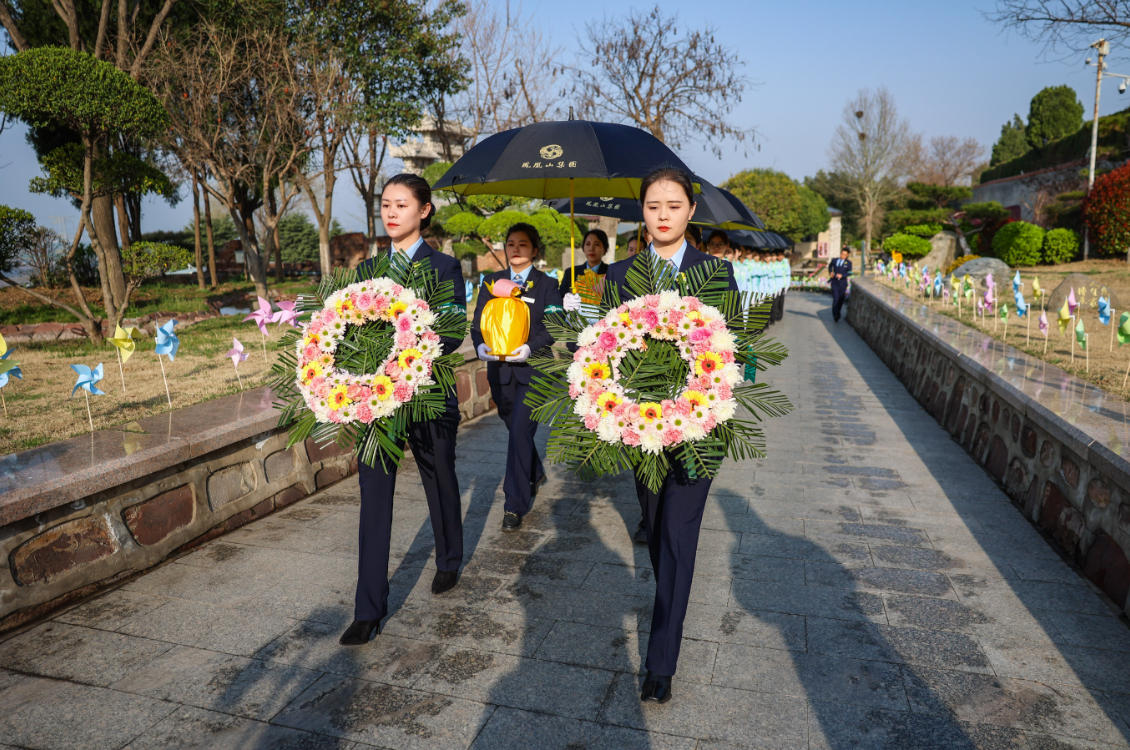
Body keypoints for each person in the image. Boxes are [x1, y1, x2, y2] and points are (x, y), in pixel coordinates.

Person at [603, 167, 738, 705]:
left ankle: (661, 661)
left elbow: (731, 351)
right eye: (654, 206)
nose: (663, 215)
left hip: (700, 430)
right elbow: (604, 351)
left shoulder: (717, 274)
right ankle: (669, 606)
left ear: (690, 211)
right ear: (643, 212)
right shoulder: (618, 275)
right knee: (658, 530)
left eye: (673, 205)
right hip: (643, 430)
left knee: (679, 535)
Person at [340, 174, 467, 646]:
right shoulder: (366, 269)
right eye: (385, 205)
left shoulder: (445, 267)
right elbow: (349, 329)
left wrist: (409, 349)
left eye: (401, 204)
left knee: (440, 477)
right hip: (378, 401)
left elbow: (453, 330)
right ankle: (367, 609)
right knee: (374, 495)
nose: (391, 212)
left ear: (424, 211)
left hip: (428, 393)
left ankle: (449, 559)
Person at [473, 223, 563, 531]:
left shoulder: (548, 284)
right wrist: (480, 345)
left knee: (519, 431)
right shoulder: (490, 282)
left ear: (535, 250)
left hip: (534, 371)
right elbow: (478, 324)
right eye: (510, 243)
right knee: (515, 429)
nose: (515, 248)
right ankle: (534, 469)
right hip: (500, 371)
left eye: (523, 244)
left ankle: (514, 503)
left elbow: (552, 326)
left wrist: (530, 347)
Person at [560, 228, 609, 297]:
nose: (591, 248)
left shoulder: (611, 273)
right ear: (583, 248)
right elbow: (560, 297)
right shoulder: (571, 273)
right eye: (588, 244)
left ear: (605, 249)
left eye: (597, 244)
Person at [829, 246, 852, 322]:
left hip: (843, 283)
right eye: (842, 254)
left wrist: (843, 275)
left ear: (847, 255)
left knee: (840, 300)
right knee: (835, 298)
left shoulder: (848, 263)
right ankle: (835, 315)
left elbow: (849, 273)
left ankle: (838, 312)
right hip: (835, 282)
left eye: (845, 255)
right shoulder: (835, 260)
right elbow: (830, 266)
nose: (843, 256)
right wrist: (831, 272)